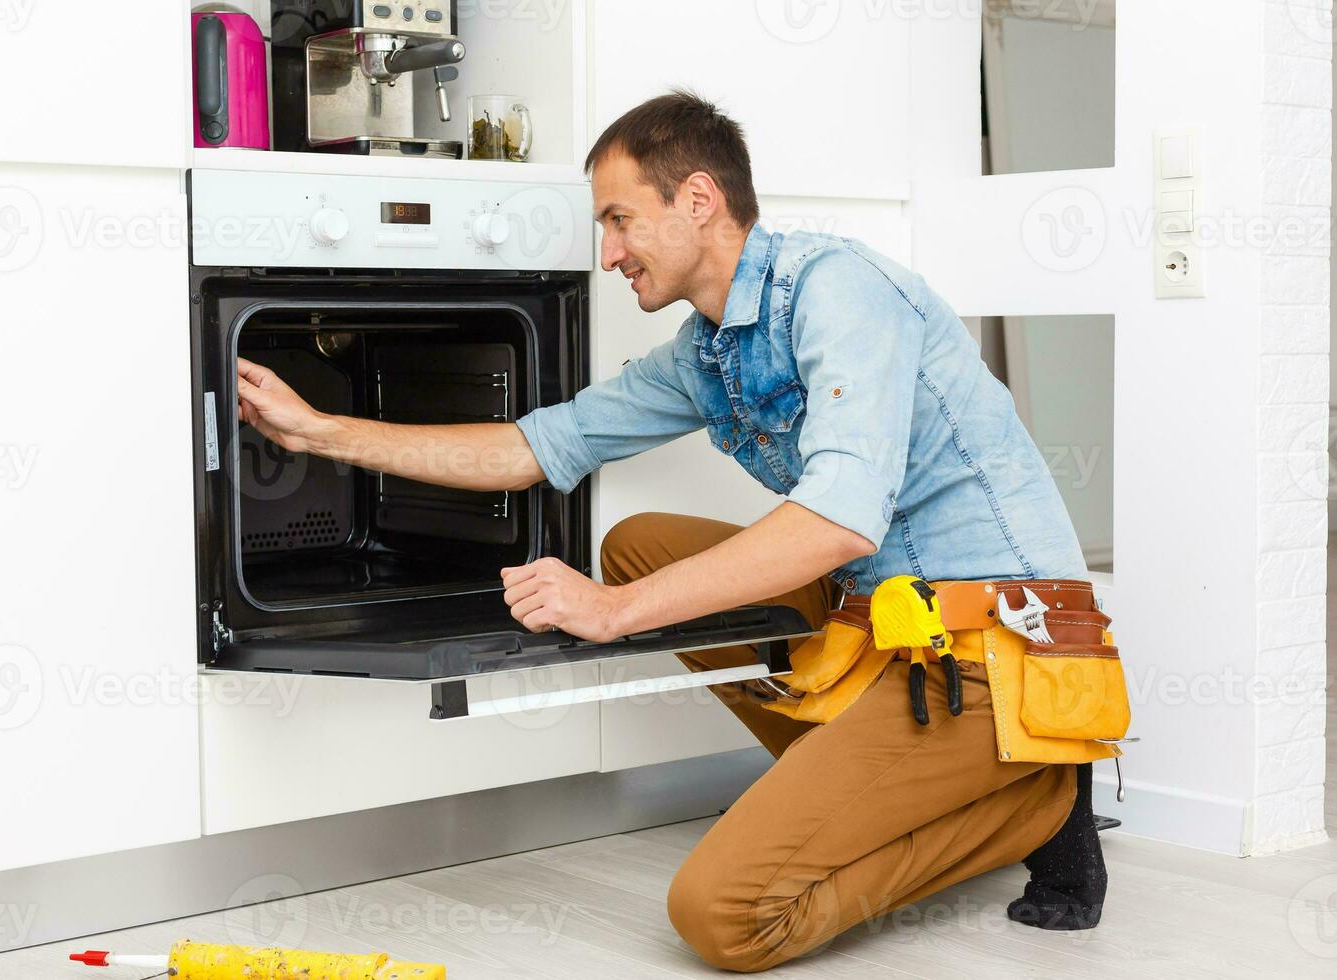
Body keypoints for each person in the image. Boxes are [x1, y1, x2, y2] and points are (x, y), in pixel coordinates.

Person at [236, 90, 1114, 972]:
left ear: (697, 200)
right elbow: (533, 446)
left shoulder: (841, 291)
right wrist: (323, 433)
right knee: (639, 543)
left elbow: (842, 520)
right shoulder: (708, 350)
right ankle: (894, 781)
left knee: (723, 916)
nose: (608, 252)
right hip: (883, 621)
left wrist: (615, 613)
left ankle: (1032, 802)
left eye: (619, 219)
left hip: (989, 645)